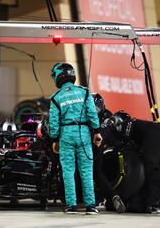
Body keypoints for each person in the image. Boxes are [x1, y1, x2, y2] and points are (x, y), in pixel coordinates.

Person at [48, 62, 102, 214]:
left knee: (68, 171)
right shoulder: (84, 92)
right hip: (84, 132)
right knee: (86, 170)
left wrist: (54, 139)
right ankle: (90, 206)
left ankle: (71, 206)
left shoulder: (55, 98)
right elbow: (92, 113)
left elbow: (54, 122)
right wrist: (97, 131)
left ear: (58, 77)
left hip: (65, 135)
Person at [91, 93, 126, 213]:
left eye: (97, 108)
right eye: (92, 108)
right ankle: (110, 196)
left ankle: (107, 196)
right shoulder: (89, 116)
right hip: (103, 145)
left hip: (102, 144)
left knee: (95, 172)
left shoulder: (108, 116)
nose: (95, 111)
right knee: (96, 172)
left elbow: (104, 135)